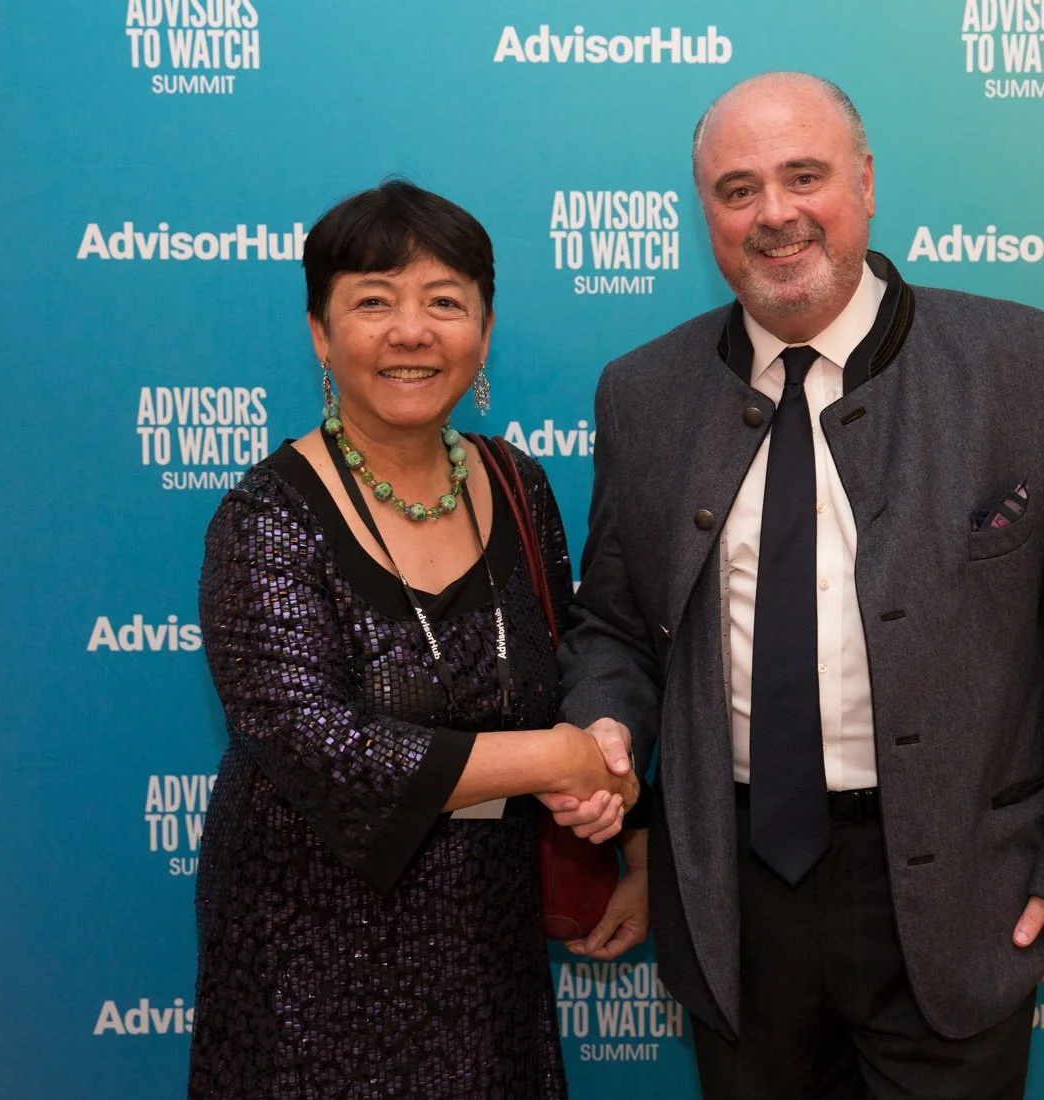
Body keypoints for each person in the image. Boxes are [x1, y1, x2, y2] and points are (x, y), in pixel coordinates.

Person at [560, 73, 1044, 1098]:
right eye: (738, 189)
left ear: (867, 183)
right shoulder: (643, 392)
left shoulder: (1023, 363)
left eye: (805, 177)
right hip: (734, 898)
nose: (775, 213)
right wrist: (605, 725)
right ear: (705, 212)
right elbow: (614, 626)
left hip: (962, 891)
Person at [189, 179, 641, 1099]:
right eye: (373, 302)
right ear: (321, 334)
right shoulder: (266, 514)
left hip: (488, 945)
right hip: (310, 958)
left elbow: (568, 669)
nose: (410, 332)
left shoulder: (518, 484)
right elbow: (312, 743)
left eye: (444, 302)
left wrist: (616, 812)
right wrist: (551, 758)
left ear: (484, 329)